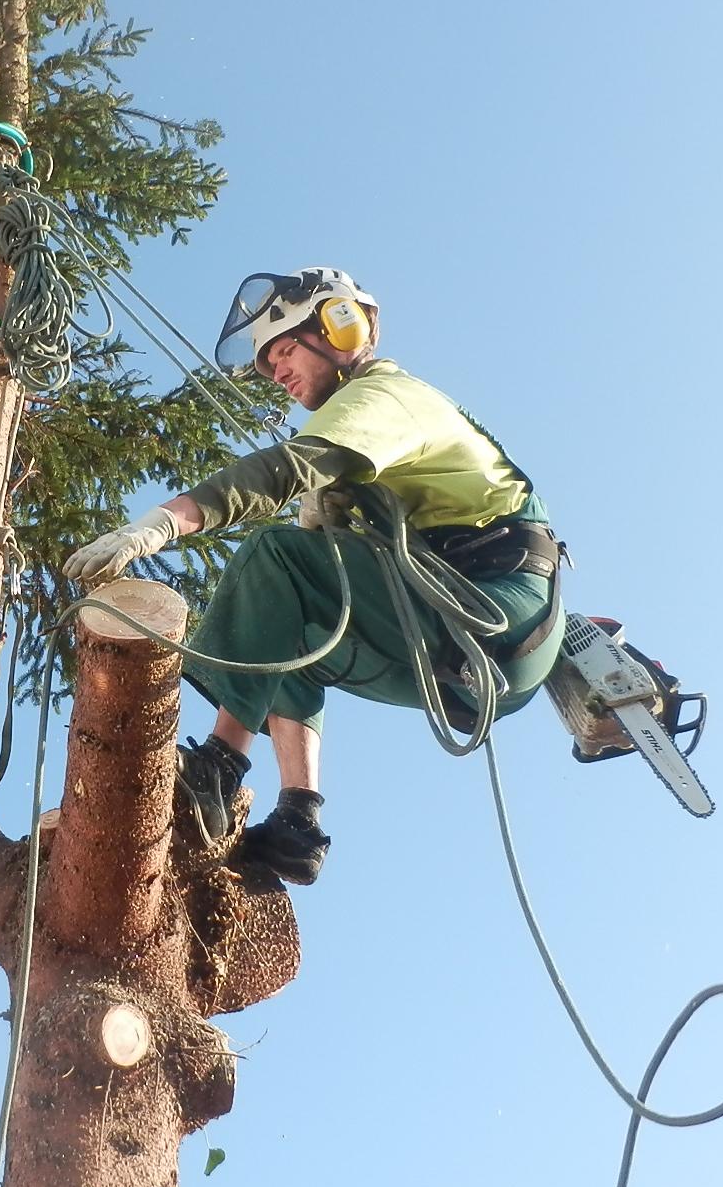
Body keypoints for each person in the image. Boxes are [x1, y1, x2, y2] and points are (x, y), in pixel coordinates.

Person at [61, 267, 565, 885]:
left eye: (283, 349)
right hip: (475, 656)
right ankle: (300, 819)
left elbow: (282, 472)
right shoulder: (367, 439)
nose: (277, 372)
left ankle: (220, 763)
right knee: (290, 623)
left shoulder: (385, 397)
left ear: (338, 326)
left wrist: (161, 524)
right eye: (271, 363)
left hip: (492, 611)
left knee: (278, 556)